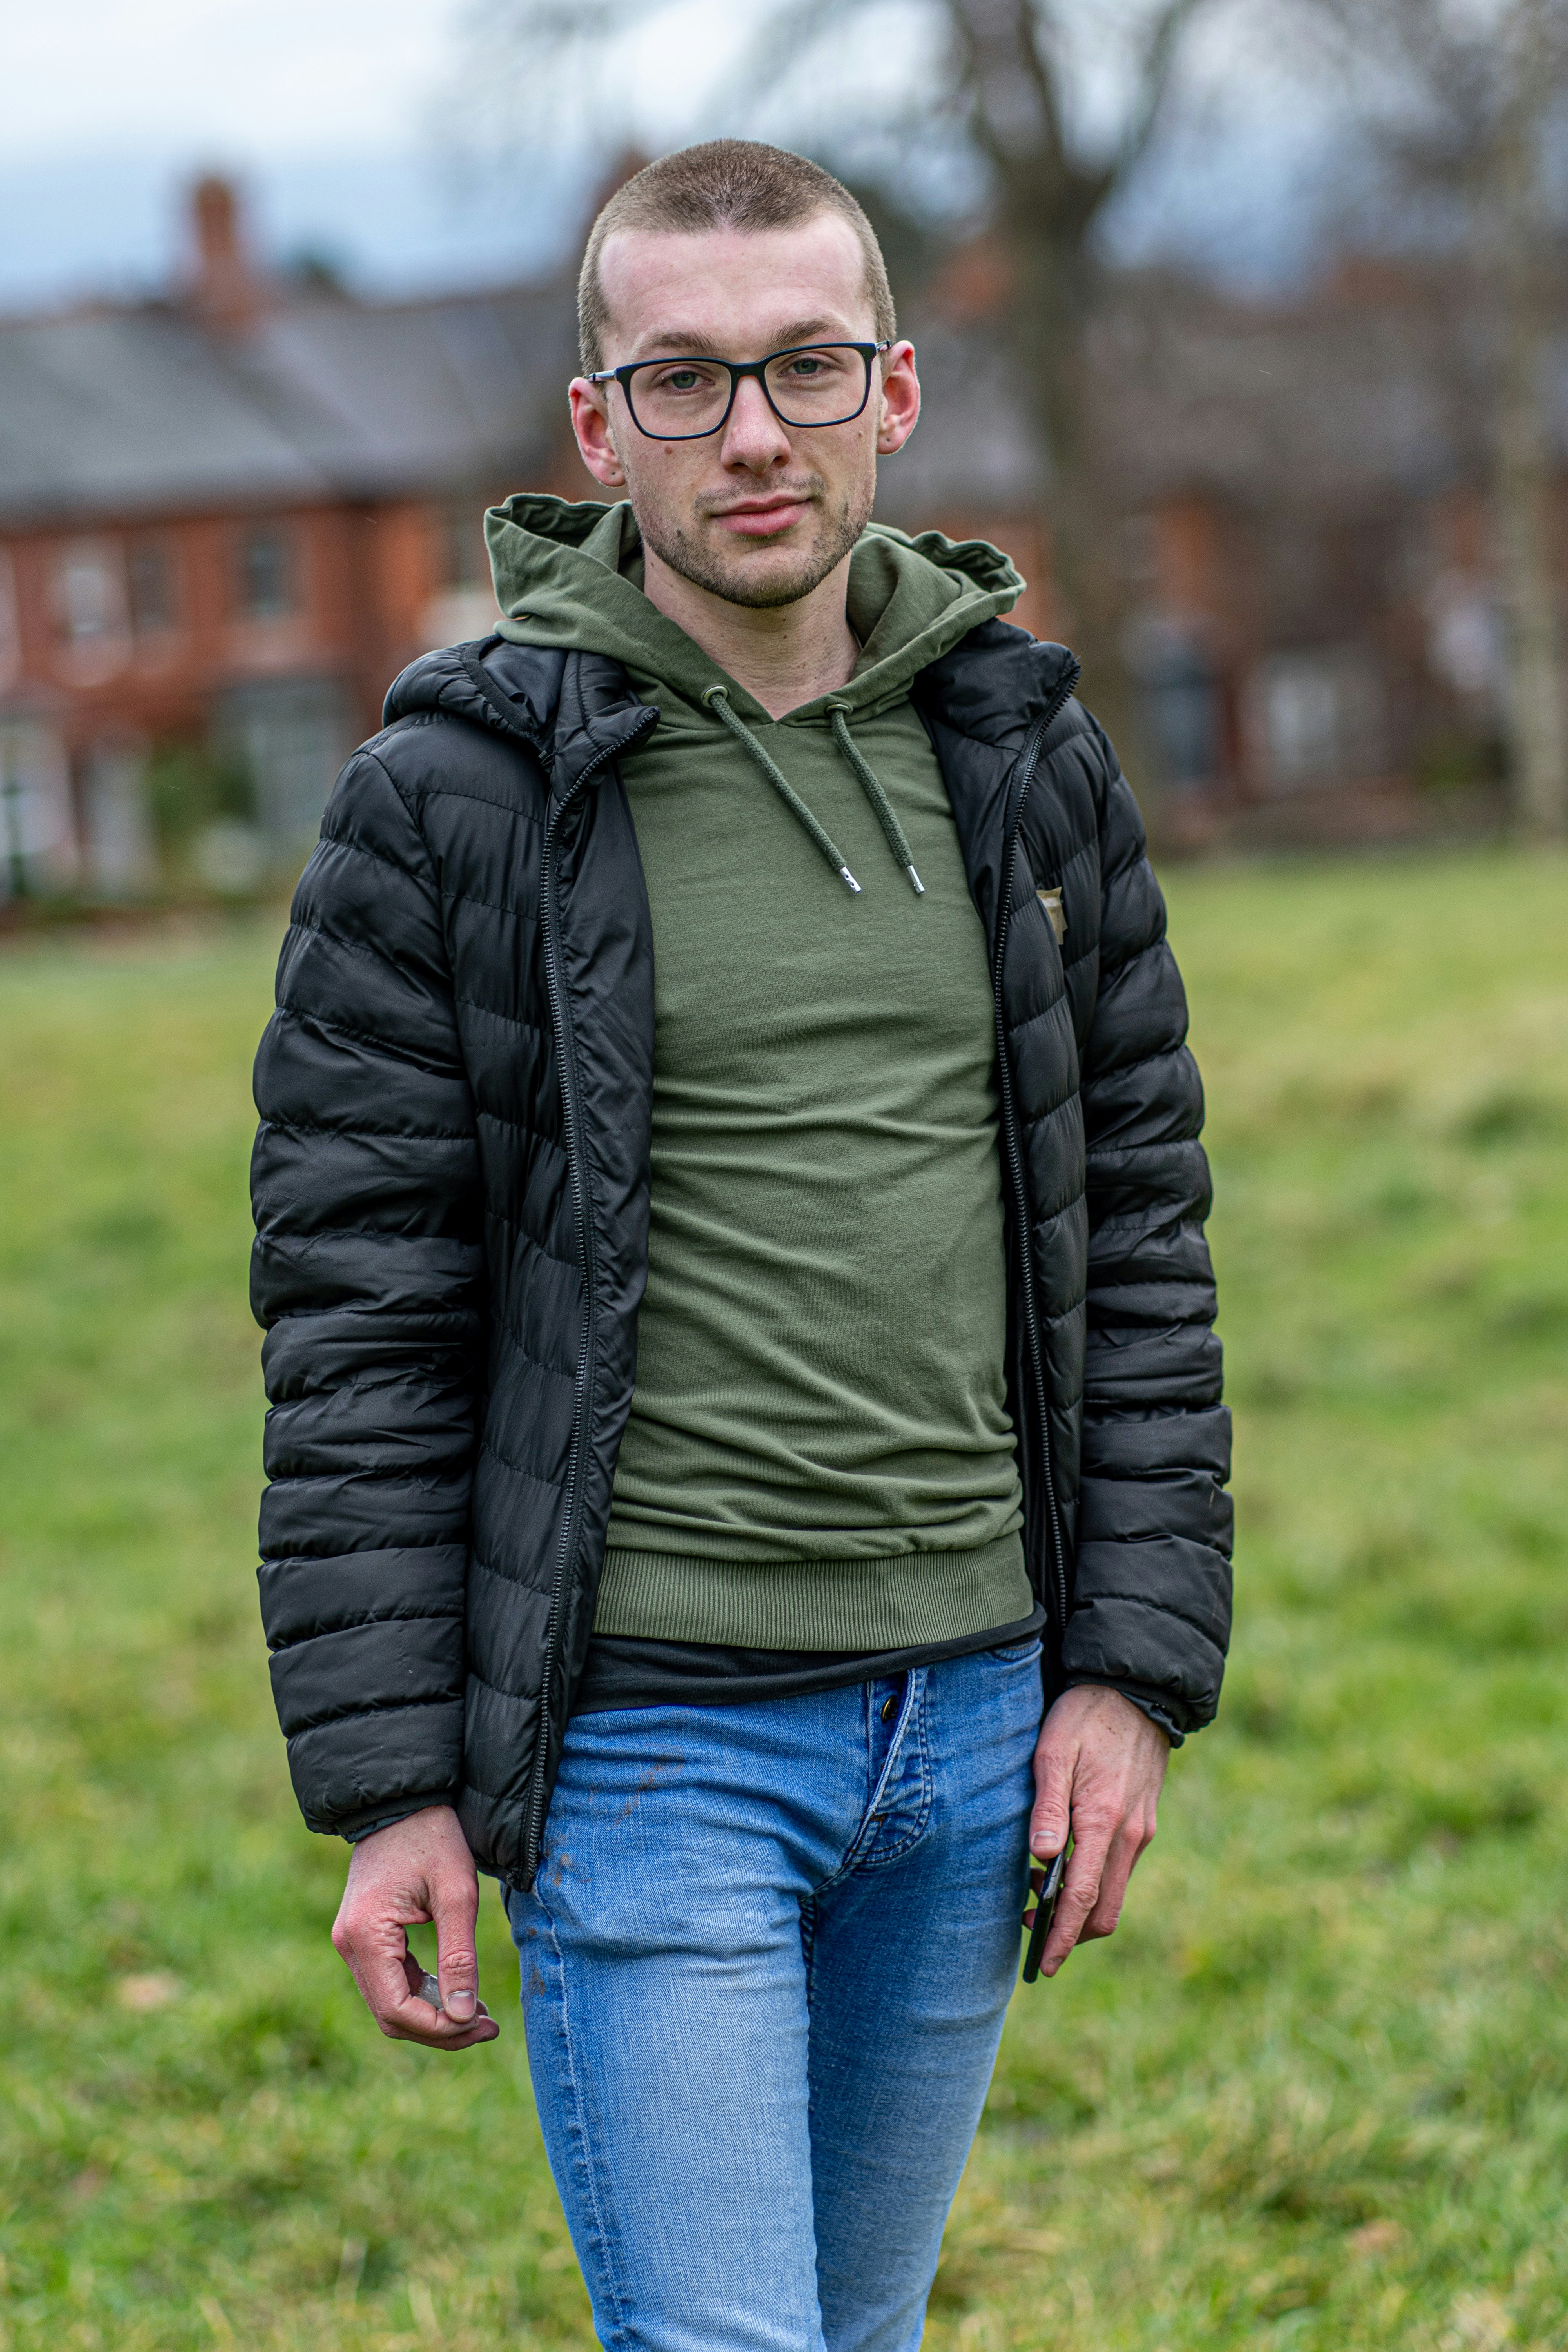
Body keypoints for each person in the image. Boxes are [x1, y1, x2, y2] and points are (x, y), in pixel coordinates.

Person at [251, 139, 1231, 2352]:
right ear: (598, 427)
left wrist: (1128, 1672)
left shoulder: (1025, 757)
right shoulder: (457, 803)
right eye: (685, 384)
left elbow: (1141, 1235)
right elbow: (362, 1318)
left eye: (804, 368)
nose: (757, 435)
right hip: (656, 1745)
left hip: (978, 1719)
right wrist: (392, 1784)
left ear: (893, 386)